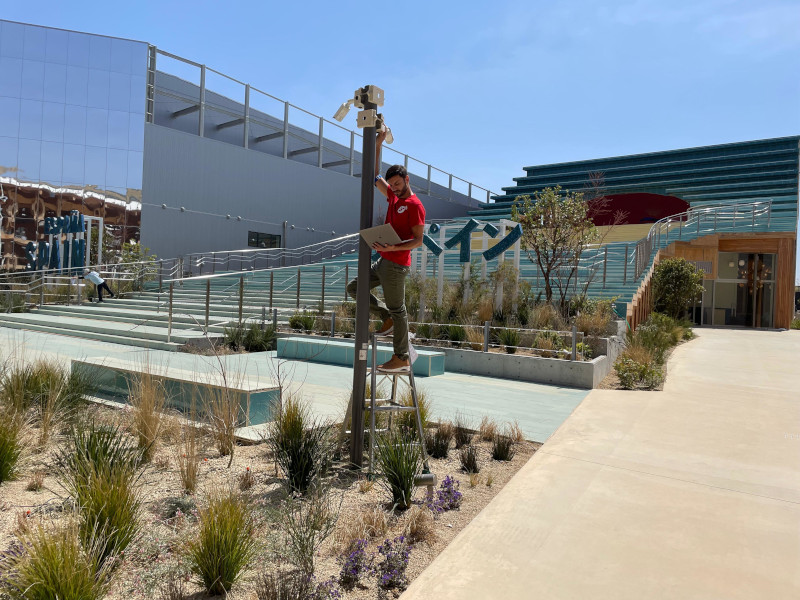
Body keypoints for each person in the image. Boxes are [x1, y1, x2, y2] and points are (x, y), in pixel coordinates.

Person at [346, 130, 426, 372]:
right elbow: (374, 175)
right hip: (383, 260)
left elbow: (418, 241)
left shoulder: (415, 206)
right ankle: (386, 318)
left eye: (398, 184)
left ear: (407, 179)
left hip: (396, 263)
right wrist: (378, 145)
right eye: (392, 185)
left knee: (398, 308)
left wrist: (394, 246)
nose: (394, 188)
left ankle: (401, 356)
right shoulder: (393, 197)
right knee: (354, 288)